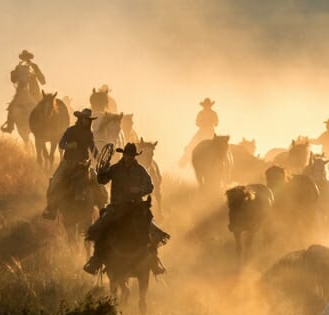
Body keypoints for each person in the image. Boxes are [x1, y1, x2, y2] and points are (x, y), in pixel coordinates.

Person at [84, 143, 167, 275]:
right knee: (101, 227)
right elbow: (102, 181)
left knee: (151, 230)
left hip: (136, 207)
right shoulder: (115, 169)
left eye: (131, 156)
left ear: (134, 156)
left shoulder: (141, 170)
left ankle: (153, 260)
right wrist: (102, 172)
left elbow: (150, 186)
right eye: (127, 155)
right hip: (117, 206)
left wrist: (139, 190)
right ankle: (96, 259)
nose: (129, 158)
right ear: (124, 154)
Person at [42, 109, 98, 220]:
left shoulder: (89, 134)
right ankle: (51, 209)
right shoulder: (71, 130)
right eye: (84, 119)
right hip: (68, 163)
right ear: (80, 119)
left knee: (99, 185)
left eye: (88, 119)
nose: (86, 121)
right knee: (54, 182)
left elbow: (93, 149)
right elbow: (61, 144)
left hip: (84, 165)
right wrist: (69, 146)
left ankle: (102, 208)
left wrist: (101, 157)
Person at [1, 49, 46, 133]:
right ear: (22, 58)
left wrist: (38, 75)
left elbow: (43, 81)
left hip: (34, 92)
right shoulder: (18, 67)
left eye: (26, 57)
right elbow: (13, 80)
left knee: (44, 108)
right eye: (23, 57)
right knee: (12, 107)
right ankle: (10, 126)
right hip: (21, 92)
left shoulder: (34, 66)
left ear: (29, 57)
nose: (25, 58)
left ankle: (46, 125)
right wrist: (13, 73)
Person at [180, 97, 219, 166]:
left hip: (206, 132)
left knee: (191, 144)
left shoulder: (202, 113)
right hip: (208, 132)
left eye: (207, 106)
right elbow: (215, 123)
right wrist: (207, 124)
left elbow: (215, 123)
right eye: (206, 106)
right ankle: (183, 162)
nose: (207, 107)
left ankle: (183, 161)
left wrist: (205, 124)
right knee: (191, 144)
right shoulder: (212, 113)